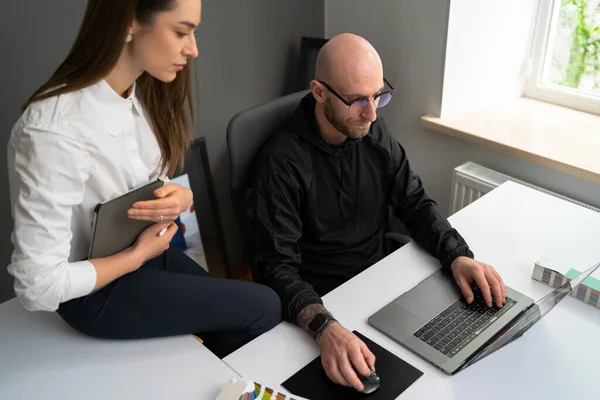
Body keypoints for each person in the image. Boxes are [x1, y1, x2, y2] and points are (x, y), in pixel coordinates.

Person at [7, 0, 281, 359]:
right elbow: (37, 285)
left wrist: (179, 196)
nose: (193, 49)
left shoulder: (138, 93)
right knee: (264, 307)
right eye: (182, 31)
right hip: (91, 294)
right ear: (130, 21)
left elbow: (148, 177)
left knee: (245, 320)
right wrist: (136, 257)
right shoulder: (54, 132)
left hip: (142, 253)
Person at [252, 33, 508, 391]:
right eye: (357, 100)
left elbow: (415, 202)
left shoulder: (374, 133)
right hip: (325, 301)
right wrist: (324, 326)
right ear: (320, 91)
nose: (372, 114)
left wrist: (458, 256)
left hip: (382, 282)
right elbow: (275, 266)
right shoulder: (282, 162)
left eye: (378, 95)